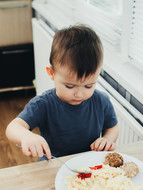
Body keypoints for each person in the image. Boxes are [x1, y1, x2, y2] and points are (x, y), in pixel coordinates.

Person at [6, 24, 119, 160]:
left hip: (90, 164)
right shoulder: (42, 104)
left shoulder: (102, 101)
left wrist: (107, 139)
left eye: (88, 86)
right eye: (70, 86)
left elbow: (112, 127)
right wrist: (26, 136)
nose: (79, 94)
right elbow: (12, 128)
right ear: (52, 73)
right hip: (53, 164)